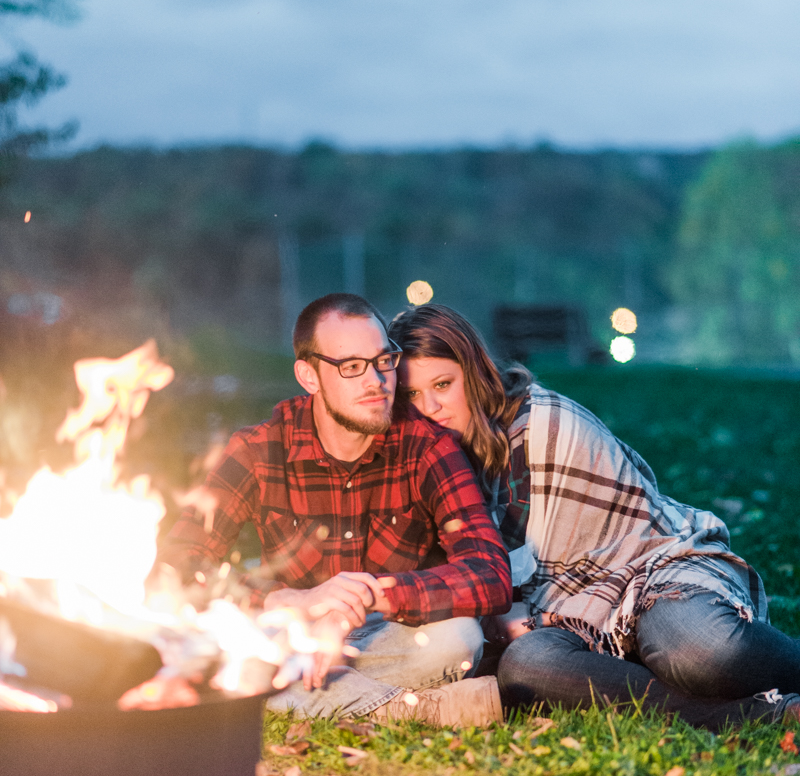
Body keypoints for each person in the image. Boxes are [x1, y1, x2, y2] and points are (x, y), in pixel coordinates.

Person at [389, 303, 800, 731]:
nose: (431, 407)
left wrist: (523, 614)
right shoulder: (427, 462)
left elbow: (632, 540)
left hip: (653, 573)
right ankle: (762, 715)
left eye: (443, 384)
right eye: (413, 396)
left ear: (473, 374)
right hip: (564, 618)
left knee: (703, 652)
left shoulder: (544, 422)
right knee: (527, 669)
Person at [164, 293, 511, 725]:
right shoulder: (259, 448)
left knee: (458, 639)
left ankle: (313, 700)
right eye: (351, 367)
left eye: (384, 361)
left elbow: (489, 573)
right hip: (286, 639)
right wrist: (293, 601)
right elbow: (178, 561)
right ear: (309, 376)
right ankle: (405, 710)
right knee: (210, 650)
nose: (376, 381)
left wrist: (365, 595)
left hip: (381, 636)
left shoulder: (427, 446)